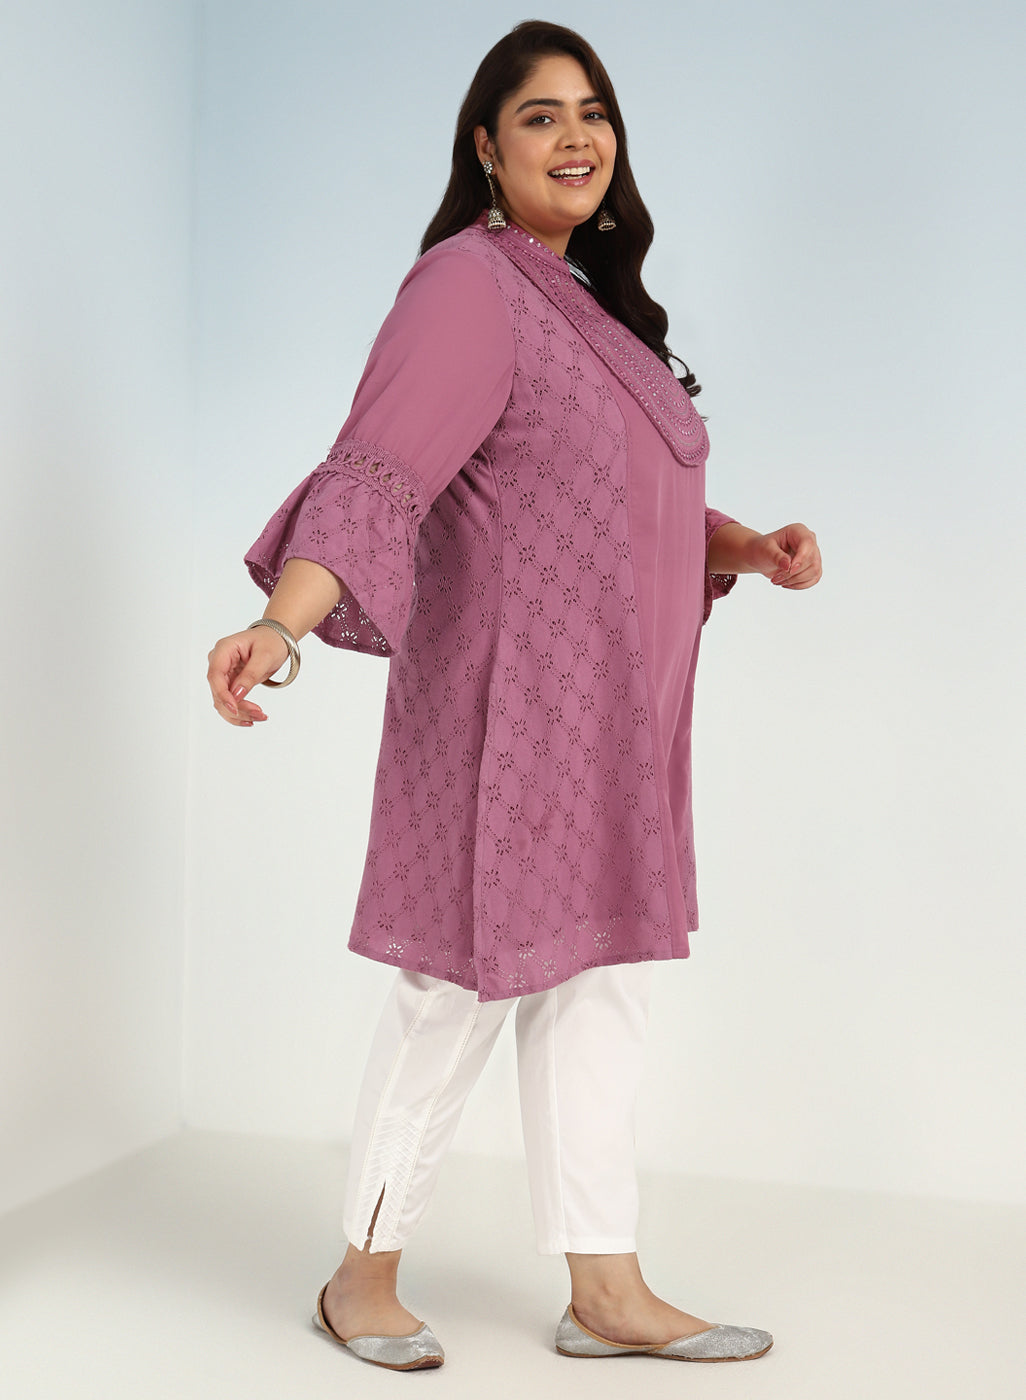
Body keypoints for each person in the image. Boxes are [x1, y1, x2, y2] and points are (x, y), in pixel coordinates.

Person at [207, 20, 821, 1372]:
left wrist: (740, 547)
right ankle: (359, 1277)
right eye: (541, 115)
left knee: (603, 984)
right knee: (454, 987)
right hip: (507, 717)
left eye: (593, 111)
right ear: (485, 147)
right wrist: (278, 623)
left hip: (615, 720)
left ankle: (606, 1289)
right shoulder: (467, 287)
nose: (576, 136)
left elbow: (602, 505)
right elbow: (378, 473)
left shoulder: (586, 305)